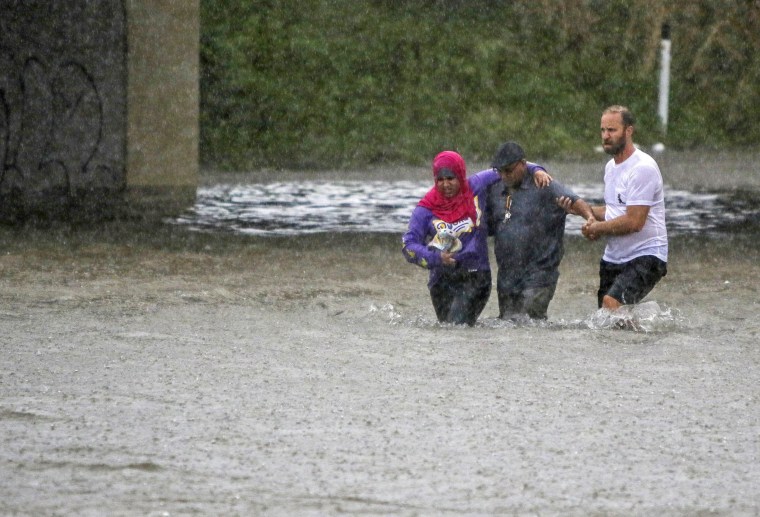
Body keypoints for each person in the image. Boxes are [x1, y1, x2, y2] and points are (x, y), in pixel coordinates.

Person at [402, 150, 550, 325]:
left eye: (451, 178)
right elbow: (409, 245)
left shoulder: (477, 185)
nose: (446, 184)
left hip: (475, 277)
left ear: (460, 175)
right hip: (441, 281)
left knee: (456, 325)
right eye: (440, 180)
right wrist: (436, 257)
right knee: (448, 330)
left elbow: (511, 166)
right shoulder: (426, 209)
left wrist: (537, 170)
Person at [484, 141, 595, 320]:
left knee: (525, 322)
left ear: (523, 164)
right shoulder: (495, 188)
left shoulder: (544, 184)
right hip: (508, 277)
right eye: (500, 171)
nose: (505, 175)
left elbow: (576, 201)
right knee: (508, 326)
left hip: (540, 274)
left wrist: (590, 220)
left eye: (509, 170)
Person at [581, 105, 668, 310]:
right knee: (605, 317)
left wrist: (597, 229)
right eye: (603, 130)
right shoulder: (611, 168)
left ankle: (653, 332)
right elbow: (614, 210)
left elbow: (634, 221)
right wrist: (582, 210)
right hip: (614, 256)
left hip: (647, 254)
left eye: (612, 130)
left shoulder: (642, 168)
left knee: (611, 304)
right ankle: (645, 322)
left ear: (628, 131)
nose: (605, 136)